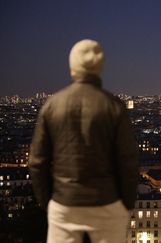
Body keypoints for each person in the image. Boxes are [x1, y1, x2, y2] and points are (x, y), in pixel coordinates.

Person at [29, 39, 139, 243]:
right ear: (100, 67)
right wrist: (126, 203)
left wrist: (49, 203)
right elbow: (128, 161)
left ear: (72, 68)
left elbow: (37, 162)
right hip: (106, 201)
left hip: (65, 202)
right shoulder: (114, 106)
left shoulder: (52, 105)